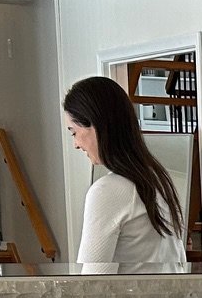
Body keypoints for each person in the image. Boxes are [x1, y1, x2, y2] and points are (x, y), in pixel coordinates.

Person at [62, 76, 188, 275]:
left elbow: (92, 283)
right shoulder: (158, 179)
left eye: (74, 132)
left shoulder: (107, 191)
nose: (75, 144)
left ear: (95, 126)